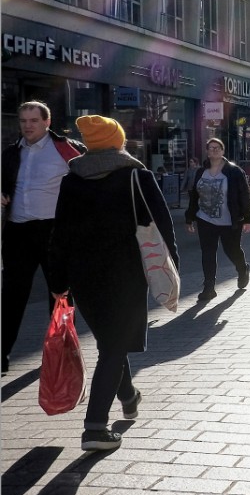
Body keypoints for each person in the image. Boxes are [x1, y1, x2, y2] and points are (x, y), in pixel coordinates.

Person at [48, 115, 178, 451]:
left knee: (111, 342)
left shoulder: (72, 180)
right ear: (116, 140)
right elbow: (162, 225)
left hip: (83, 277)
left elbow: (59, 235)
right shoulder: (136, 175)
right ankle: (94, 428)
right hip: (127, 275)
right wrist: (172, 267)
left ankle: (130, 397)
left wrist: (58, 281)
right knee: (114, 347)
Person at [1, 100, 85, 375]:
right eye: (23, 121)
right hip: (18, 231)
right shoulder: (11, 153)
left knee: (59, 294)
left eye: (33, 121)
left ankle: (61, 355)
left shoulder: (67, 150)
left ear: (46, 122)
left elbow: (88, 183)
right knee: (11, 296)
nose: (27, 126)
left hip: (54, 231)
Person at [185, 138, 250, 302]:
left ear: (223, 151)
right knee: (208, 253)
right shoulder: (201, 172)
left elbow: (245, 195)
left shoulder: (234, 171)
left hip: (229, 221)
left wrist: (248, 218)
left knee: (232, 250)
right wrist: (190, 218)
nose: (214, 150)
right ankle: (209, 287)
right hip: (205, 219)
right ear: (207, 151)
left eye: (217, 148)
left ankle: (242, 268)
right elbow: (195, 196)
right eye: (211, 148)